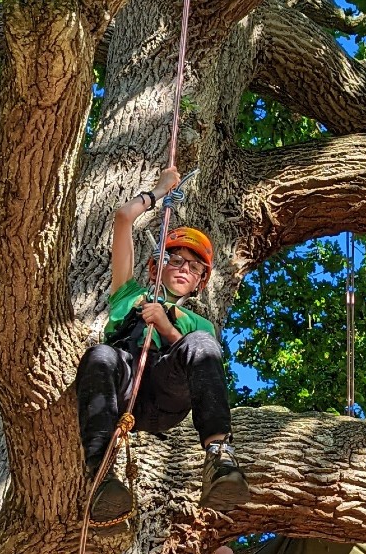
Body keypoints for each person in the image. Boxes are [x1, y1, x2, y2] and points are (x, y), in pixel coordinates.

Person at [75, 167, 249, 525]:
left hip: (165, 396)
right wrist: (157, 192)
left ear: (201, 282)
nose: (184, 268)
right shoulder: (129, 292)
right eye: (175, 259)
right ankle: (99, 474)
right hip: (122, 384)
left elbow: (198, 362)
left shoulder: (199, 323)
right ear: (155, 266)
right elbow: (123, 219)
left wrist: (168, 327)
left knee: (201, 343)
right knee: (100, 355)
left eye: (195, 267)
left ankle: (218, 454)